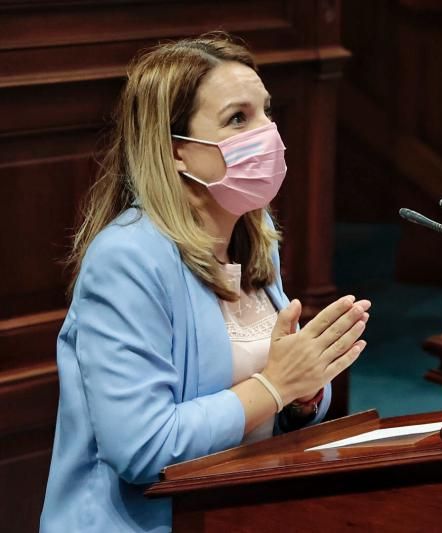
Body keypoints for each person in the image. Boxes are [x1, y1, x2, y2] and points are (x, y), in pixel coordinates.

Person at [40, 33, 368, 532]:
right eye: (239, 118)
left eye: (266, 111)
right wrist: (275, 385)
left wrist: (301, 398)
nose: (269, 132)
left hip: (236, 514)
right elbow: (143, 448)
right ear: (176, 153)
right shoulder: (127, 259)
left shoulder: (255, 242)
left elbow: (260, 411)